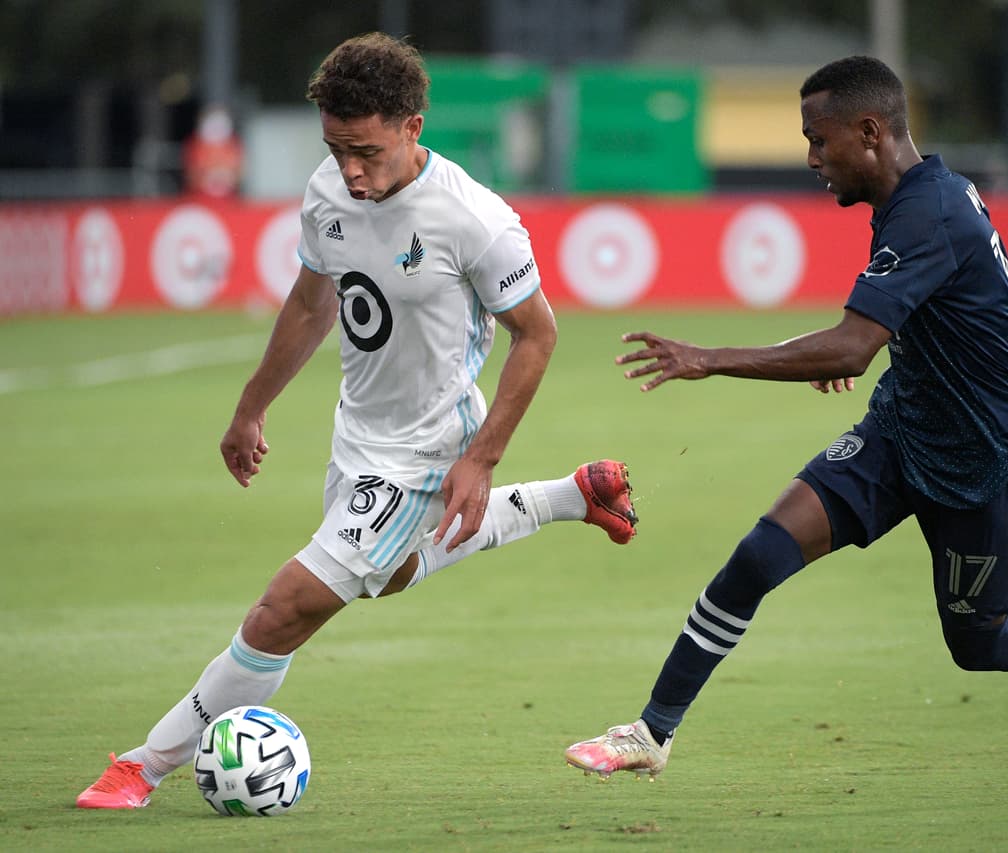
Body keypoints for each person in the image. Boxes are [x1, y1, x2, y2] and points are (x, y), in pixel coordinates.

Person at [563, 55, 1008, 781]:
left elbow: (851, 344)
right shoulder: (919, 196)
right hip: (901, 433)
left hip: (984, 462)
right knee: (758, 557)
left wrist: (708, 358)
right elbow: (900, 322)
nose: (810, 159)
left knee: (983, 642)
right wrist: (879, 339)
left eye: (817, 139)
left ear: (869, 132)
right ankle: (652, 730)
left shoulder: (928, 211)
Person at [76, 32, 638, 810]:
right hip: (358, 436)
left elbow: (537, 334)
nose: (349, 169)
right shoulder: (328, 190)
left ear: (413, 126)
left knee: (284, 609)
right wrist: (251, 405)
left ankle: (142, 764)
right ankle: (574, 495)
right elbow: (313, 302)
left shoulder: (475, 219)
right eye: (336, 148)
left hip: (425, 450)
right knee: (391, 572)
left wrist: (480, 457)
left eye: (365, 150)